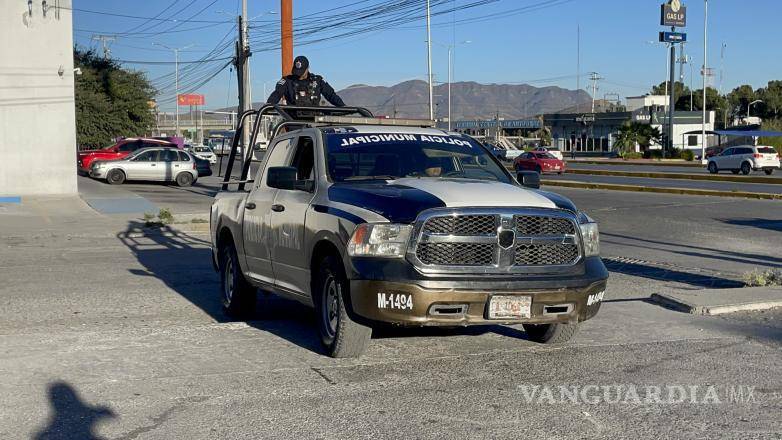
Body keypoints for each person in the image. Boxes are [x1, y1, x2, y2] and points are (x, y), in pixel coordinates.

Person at [266, 56, 345, 107]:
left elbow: (331, 95)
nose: (299, 75)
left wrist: (343, 107)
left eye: (301, 72)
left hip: (314, 121)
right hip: (292, 121)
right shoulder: (287, 81)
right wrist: (269, 105)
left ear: (307, 68)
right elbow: (277, 93)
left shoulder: (317, 81)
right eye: (297, 71)